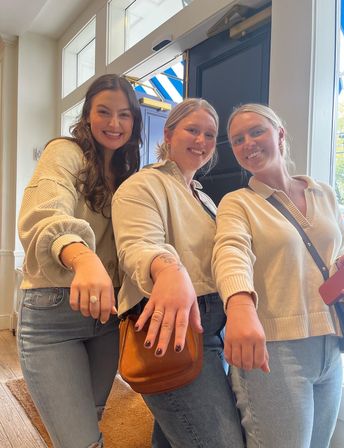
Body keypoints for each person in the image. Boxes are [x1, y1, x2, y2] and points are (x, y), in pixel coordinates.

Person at [212, 103, 344, 448]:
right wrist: (239, 303)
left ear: (280, 134)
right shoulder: (238, 203)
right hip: (274, 351)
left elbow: (341, 245)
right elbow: (230, 251)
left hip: (331, 341)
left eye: (256, 131)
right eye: (237, 139)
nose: (248, 143)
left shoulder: (323, 192)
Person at [17, 74, 142, 448]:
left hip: (105, 319)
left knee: (90, 421)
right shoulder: (65, 152)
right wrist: (83, 257)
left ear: (134, 122)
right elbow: (44, 213)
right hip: (53, 314)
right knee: (80, 441)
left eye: (124, 115)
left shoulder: (127, 176)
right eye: (103, 112)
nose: (114, 123)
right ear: (87, 115)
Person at [112, 98, 245, 448]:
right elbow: (137, 246)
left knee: (176, 436)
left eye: (209, 134)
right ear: (169, 134)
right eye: (192, 130)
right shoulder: (144, 185)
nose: (201, 140)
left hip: (214, 329)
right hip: (171, 330)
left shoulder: (205, 198)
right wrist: (168, 269)